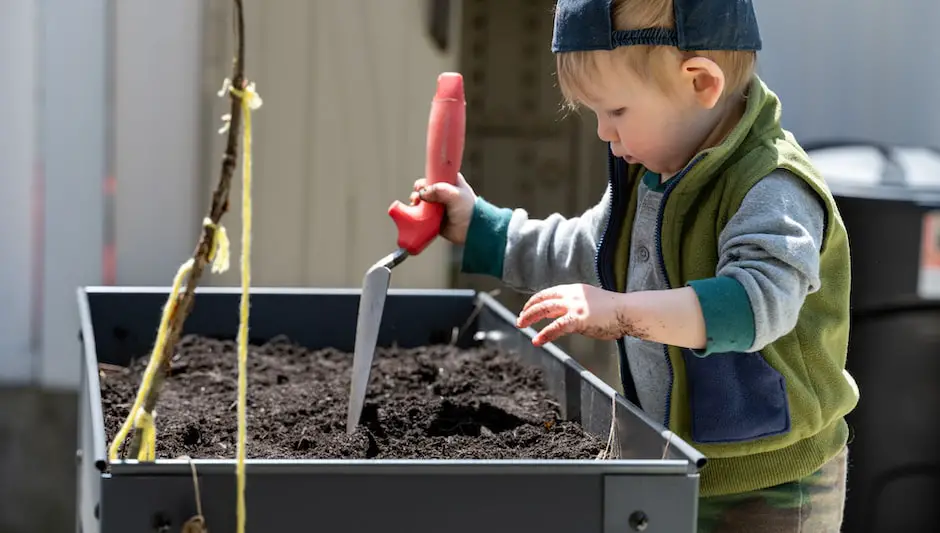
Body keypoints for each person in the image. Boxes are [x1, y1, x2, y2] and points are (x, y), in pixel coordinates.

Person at [410, 0, 859, 531]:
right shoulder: (655, 174)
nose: (603, 132)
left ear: (700, 83)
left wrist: (622, 312)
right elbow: (589, 251)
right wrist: (482, 227)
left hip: (767, 486)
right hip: (663, 457)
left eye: (616, 112)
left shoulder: (773, 187)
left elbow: (752, 306)